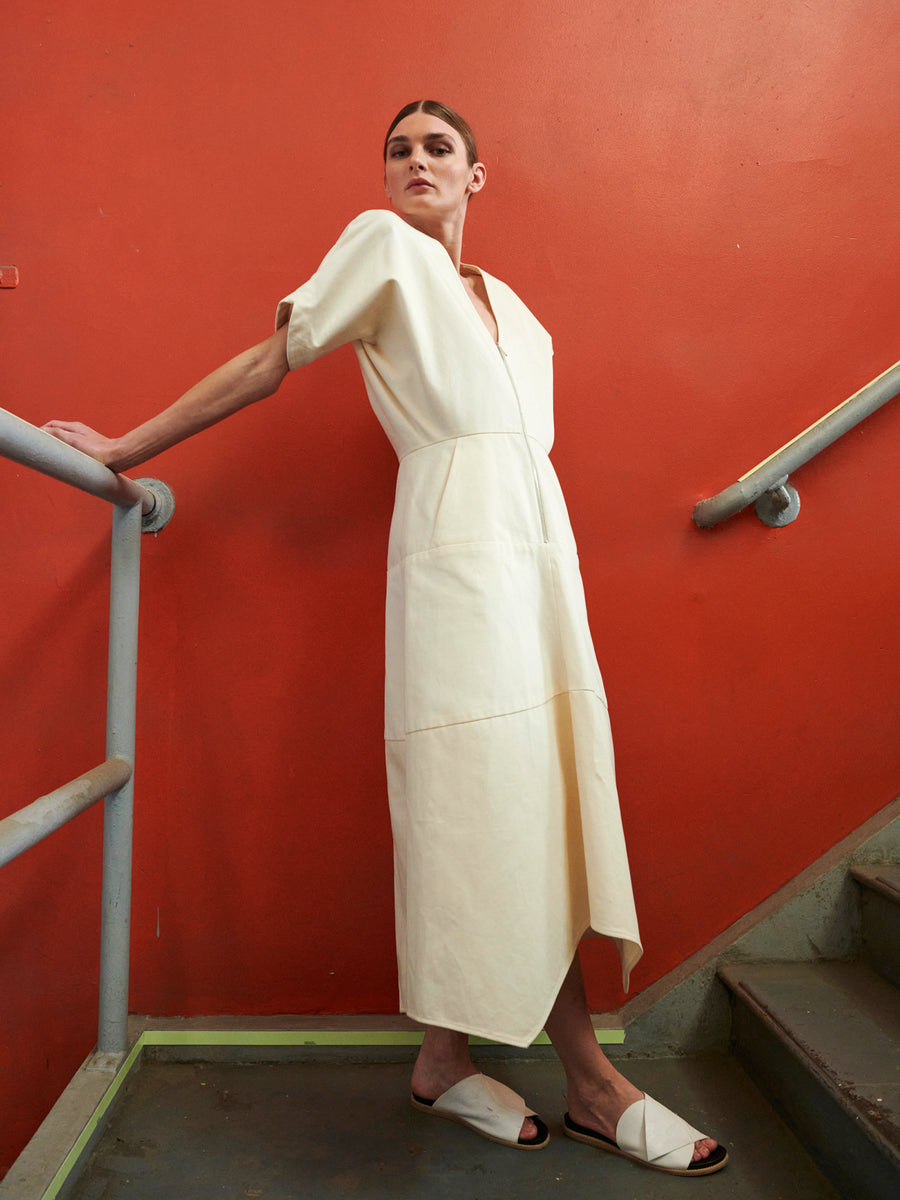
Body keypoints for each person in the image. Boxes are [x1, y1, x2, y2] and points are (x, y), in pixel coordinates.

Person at [45, 100, 727, 1176]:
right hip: (455, 564)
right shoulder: (383, 250)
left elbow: (521, 449)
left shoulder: (520, 313)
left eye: (437, 148)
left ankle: (444, 1062)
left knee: (542, 786)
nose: (415, 161)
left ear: (477, 175)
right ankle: (593, 1080)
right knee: (492, 796)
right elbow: (272, 362)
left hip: (540, 562)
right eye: (398, 149)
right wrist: (128, 442)